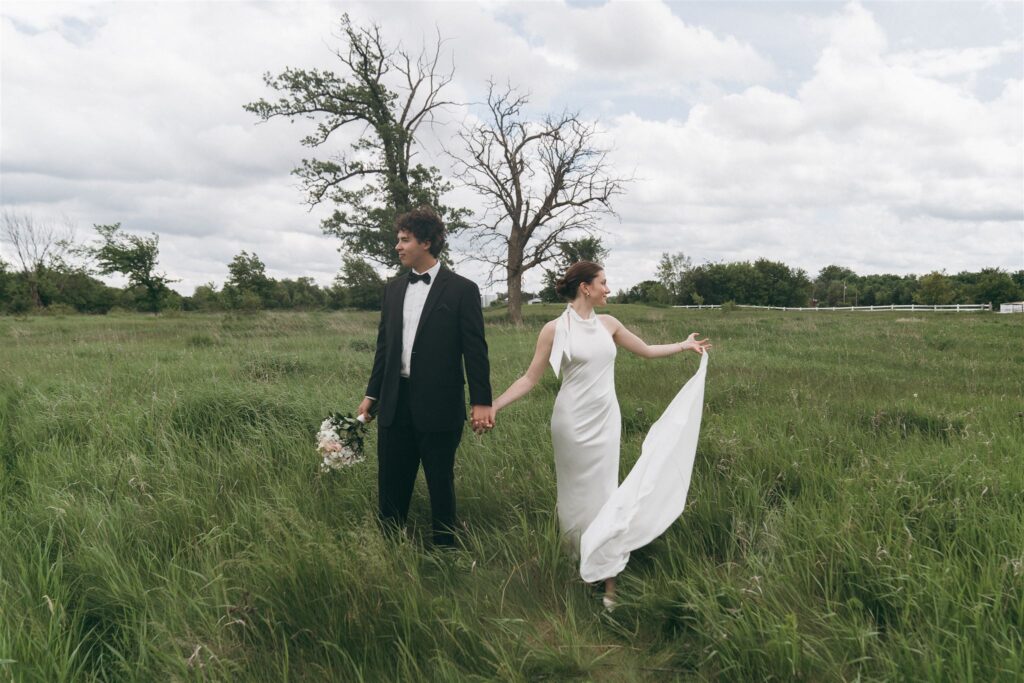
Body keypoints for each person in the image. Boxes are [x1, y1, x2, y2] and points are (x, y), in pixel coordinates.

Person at [487, 261, 710, 605]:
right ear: (585, 287)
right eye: (603, 282)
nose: (608, 288)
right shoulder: (553, 329)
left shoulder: (610, 324)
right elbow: (530, 378)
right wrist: (495, 405)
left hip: (606, 422)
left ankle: (609, 581)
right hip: (570, 425)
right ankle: (576, 566)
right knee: (575, 499)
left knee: (606, 495)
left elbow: (647, 351)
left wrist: (683, 345)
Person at [357, 207, 493, 548]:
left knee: (440, 481)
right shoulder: (392, 290)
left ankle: (445, 550)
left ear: (427, 242)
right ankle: (390, 546)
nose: (397, 247)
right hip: (394, 400)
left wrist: (481, 402)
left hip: (439, 403)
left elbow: (475, 350)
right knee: (391, 480)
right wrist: (371, 395)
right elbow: (384, 349)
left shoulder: (462, 290)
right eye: (398, 240)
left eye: (405, 240)